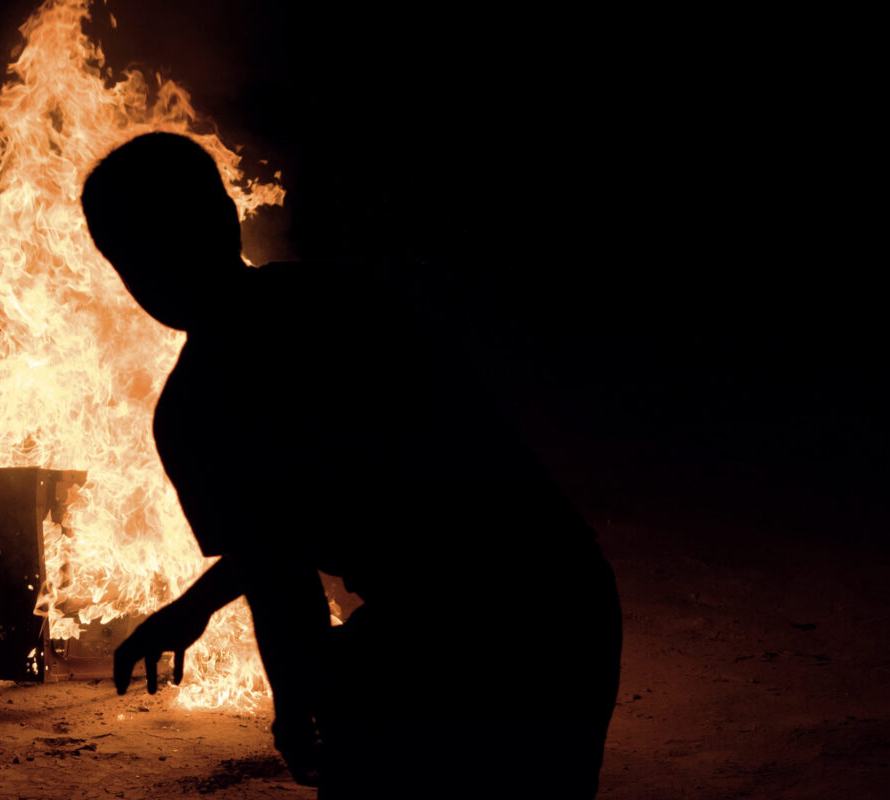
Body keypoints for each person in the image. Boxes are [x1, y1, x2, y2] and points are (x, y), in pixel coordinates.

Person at [82, 132, 621, 798]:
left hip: (443, 639)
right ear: (226, 215)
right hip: (567, 599)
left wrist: (297, 706)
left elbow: (283, 579)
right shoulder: (356, 295)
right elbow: (312, 520)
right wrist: (196, 607)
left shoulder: (197, 409)